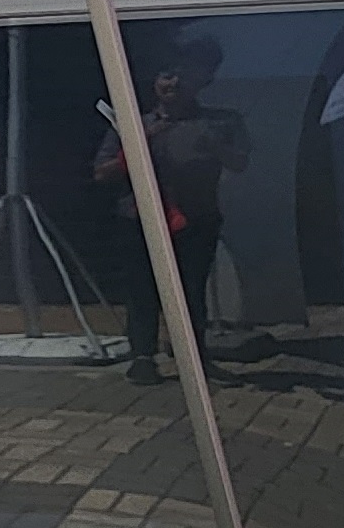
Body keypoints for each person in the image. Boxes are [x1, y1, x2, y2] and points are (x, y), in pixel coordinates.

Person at [93, 32, 247, 386]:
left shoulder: (221, 122)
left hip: (197, 219)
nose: (172, 83)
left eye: (182, 75)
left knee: (192, 290)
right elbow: (101, 173)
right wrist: (141, 141)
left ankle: (195, 358)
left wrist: (218, 147)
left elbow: (241, 163)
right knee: (142, 289)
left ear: (201, 80)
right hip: (139, 220)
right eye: (165, 75)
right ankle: (143, 357)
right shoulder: (132, 125)